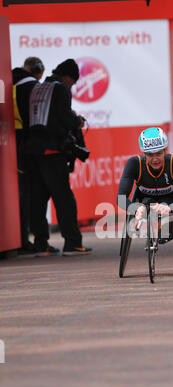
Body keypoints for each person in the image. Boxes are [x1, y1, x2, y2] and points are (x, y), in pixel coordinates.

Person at [27, 59, 92, 256]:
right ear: (68, 77)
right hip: (53, 151)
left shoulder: (40, 87)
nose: (72, 86)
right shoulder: (61, 88)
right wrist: (78, 122)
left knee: (38, 200)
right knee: (64, 200)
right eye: (73, 82)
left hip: (34, 151)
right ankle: (72, 243)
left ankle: (41, 245)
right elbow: (64, 117)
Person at [117, 127, 173, 244]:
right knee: (147, 205)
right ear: (143, 153)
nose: (155, 159)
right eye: (150, 155)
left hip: (170, 201)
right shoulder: (134, 164)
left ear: (165, 150)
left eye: (159, 153)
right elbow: (120, 198)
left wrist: (172, 207)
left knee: (165, 236)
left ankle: (166, 227)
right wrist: (135, 208)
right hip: (145, 201)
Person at [12, 57, 45, 255]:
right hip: (27, 147)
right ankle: (25, 241)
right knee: (28, 195)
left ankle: (19, 239)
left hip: (11, 144)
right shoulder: (34, 87)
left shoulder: (9, 82)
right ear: (38, 69)